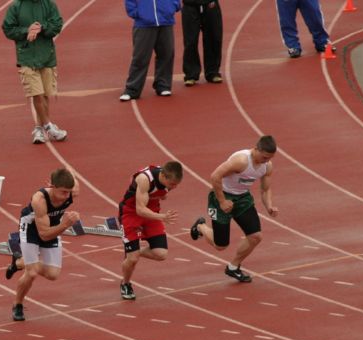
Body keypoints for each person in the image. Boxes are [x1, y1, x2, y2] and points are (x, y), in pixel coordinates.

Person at [190, 135, 279, 283]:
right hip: (221, 197)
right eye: (264, 157)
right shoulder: (241, 161)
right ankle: (200, 227)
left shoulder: (267, 166)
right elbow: (215, 176)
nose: (266, 161)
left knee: (255, 237)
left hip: (242, 199)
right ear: (256, 149)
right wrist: (223, 201)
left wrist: (269, 205)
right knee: (220, 245)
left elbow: (265, 189)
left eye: (269, 158)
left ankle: (233, 267)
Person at [6, 168, 79, 322]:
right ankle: (17, 304)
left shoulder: (72, 190)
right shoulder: (39, 200)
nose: (66, 196)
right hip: (32, 228)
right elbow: (44, 235)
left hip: (52, 225)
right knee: (31, 273)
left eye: (69, 192)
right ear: (52, 186)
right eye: (63, 192)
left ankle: (19, 262)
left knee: (53, 275)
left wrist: (68, 173)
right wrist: (65, 224)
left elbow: (71, 175)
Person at [1, 0, 67, 144]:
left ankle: (39, 128)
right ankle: (49, 126)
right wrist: (27, 30)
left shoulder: (49, 5)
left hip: (47, 56)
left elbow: (57, 25)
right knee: (36, 94)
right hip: (27, 57)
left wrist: (41, 28)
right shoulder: (16, 6)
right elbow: (8, 29)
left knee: (45, 94)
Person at [118, 162, 183, 300]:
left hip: (152, 213)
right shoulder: (145, 179)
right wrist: (163, 217)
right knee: (133, 260)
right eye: (172, 184)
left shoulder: (167, 180)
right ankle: (126, 283)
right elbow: (140, 210)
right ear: (164, 176)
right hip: (131, 214)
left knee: (161, 254)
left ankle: (134, 252)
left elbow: (161, 195)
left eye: (177, 184)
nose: (174, 187)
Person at [119, 0, 181, 101]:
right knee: (140, 57)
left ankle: (163, 85)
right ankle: (132, 89)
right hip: (144, 24)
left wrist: (173, 6)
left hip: (166, 21)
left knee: (166, 54)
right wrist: (137, 12)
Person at [182, 0, 223, 86]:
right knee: (190, 41)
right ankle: (191, 74)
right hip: (190, 5)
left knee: (214, 37)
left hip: (210, 3)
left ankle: (212, 72)